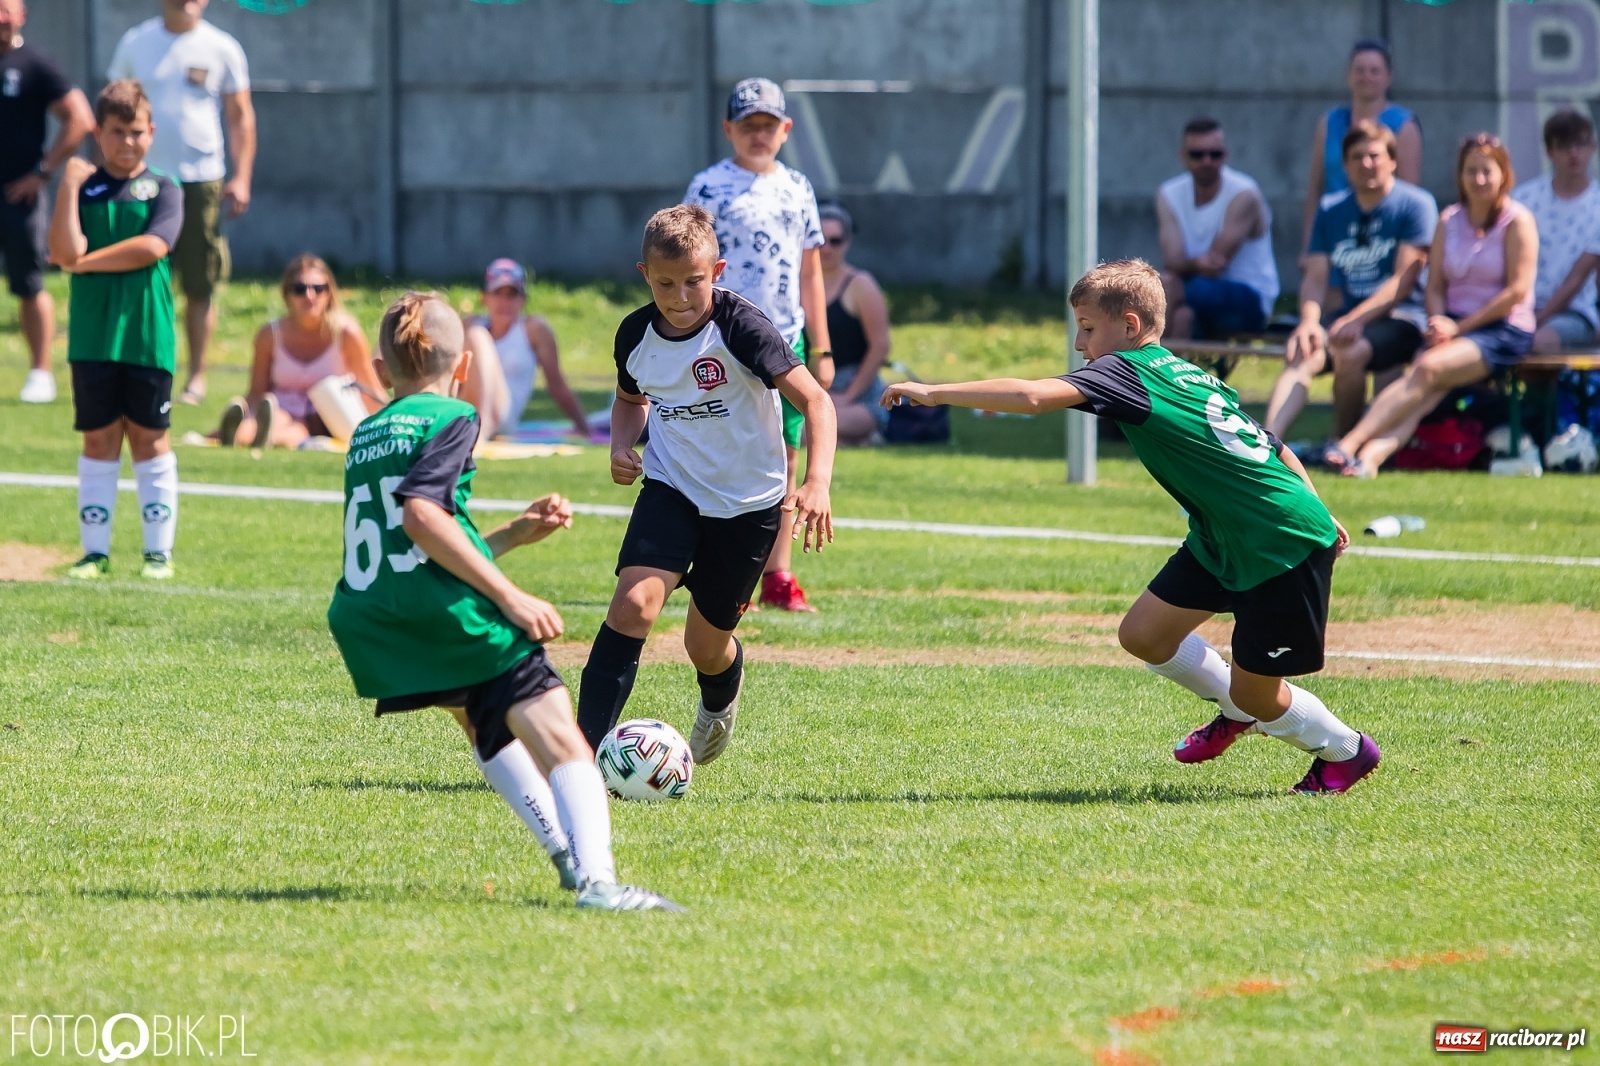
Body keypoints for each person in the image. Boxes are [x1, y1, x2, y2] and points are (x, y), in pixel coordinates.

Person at [881, 259, 1380, 794]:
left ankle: (1346, 751)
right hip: (1225, 535)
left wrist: (935, 392)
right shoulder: (1182, 370)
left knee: (1261, 692)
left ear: (1131, 326)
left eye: (1089, 329)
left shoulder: (1128, 370)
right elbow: (1273, 447)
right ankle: (1236, 710)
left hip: (1276, 542)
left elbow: (1031, 398)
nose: (1080, 345)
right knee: (1143, 634)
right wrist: (1316, 501)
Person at [326, 291, 682, 913]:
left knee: (483, 722)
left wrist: (513, 535)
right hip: (443, 611)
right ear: (463, 369)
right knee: (564, 740)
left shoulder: (366, 431)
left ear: (381, 371)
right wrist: (511, 599)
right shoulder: (455, 418)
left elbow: (410, 539)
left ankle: (570, 864)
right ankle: (599, 883)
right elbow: (421, 518)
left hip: (371, 613)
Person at [574, 204, 836, 769]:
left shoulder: (744, 329)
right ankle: (579, 757)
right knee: (633, 606)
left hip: (748, 506)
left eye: (694, 281)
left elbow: (817, 401)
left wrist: (816, 482)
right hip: (673, 487)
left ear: (716, 270)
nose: (681, 295)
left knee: (706, 647)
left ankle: (719, 701)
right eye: (665, 283)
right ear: (645, 275)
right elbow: (629, 400)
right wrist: (621, 445)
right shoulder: (635, 335)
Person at [684, 77, 834, 612]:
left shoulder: (797, 187)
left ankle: (777, 573)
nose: (758, 135)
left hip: (784, 338)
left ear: (786, 129)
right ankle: (705, 560)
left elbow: (810, 268)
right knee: (716, 444)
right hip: (722, 337)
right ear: (729, 129)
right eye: (748, 126)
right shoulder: (708, 187)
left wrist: (822, 345)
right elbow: (688, 264)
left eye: (768, 126)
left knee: (783, 455)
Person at [1327, 134, 1537, 478]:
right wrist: (1438, 319)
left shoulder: (1518, 221)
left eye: (1487, 171)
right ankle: (1369, 461)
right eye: (1471, 171)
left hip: (1502, 329)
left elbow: (1517, 291)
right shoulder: (1449, 219)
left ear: (1503, 174)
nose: (1479, 179)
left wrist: (1458, 329)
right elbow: (1435, 284)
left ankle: (1347, 444)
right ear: (1460, 175)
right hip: (1452, 326)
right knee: (1427, 388)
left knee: (1426, 370)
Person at [49, 81, 183, 581]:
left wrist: (83, 265)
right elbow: (63, 250)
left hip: (147, 336)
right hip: (91, 336)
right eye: (117, 133)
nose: (128, 143)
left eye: (137, 132)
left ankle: (157, 555)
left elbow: (152, 248)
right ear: (98, 134)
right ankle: (94, 554)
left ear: (151, 133)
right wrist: (67, 185)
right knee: (99, 439)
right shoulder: (84, 187)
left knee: (150, 439)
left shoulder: (165, 188)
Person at [108, 0, 256, 406]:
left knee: (199, 282)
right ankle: (138, 369)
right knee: (139, 280)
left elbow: (241, 115)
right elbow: (110, 109)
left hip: (201, 179)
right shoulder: (136, 42)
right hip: (143, 179)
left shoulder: (222, 46)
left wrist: (241, 177)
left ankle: (196, 378)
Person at [1265, 120, 1437, 439]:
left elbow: (1404, 280)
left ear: (1393, 161)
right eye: (1357, 157)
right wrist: (1308, 323)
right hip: (1348, 317)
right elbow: (1315, 278)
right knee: (1303, 351)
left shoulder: (1415, 204)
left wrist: (1354, 319)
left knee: (1350, 353)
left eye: (1374, 155)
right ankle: (1266, 443)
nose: (1366, 164)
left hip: (1403, 318)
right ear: (1345, 165)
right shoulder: (1331, 209)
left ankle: (1341, 442)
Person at [0, 0, 94, 404]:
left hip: (16, 194)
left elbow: (80, 117)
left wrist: (42, 172)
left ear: (21, 14)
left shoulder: (34, 63)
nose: (0, 18)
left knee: (28, 281)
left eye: (6, 9)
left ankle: (40, 371)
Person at [212, 254, 382, 448]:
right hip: (279, 407)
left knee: (297, 430)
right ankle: (238, 433)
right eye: (300, 289)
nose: (310, 296)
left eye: (318, 289)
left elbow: (371, 391)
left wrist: (386, 426)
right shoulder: (269, 335)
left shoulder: (346, 333)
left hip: (324, 415)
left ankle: (264, 439)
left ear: (330, 293)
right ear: (287, 294)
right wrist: (247, 414)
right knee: (273, 418)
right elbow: (256, 392)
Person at [1156, 118, 1279, 341]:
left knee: (1165, 286)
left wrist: (1186, 265)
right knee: (1183, 316)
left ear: (1226, 154)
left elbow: (1214, 265)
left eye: (1215, 154)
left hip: (1249, 300)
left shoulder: (1245, 194)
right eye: (1197, 155)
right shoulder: (1169, 194)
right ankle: (1159, 374)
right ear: (1182, 156)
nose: (1207, 161)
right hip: (1194, 297)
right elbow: (1171, 260)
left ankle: (1135, 368)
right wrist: (1193, 264)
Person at [1301, 39, 1423, 256]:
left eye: (1375, 71)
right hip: (1333, 229)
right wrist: (1309, 247)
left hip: (1382, 237)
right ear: (1348, 75)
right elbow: (1315, 190)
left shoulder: (1403, 125)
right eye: (1359, 70)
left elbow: (1408, 193)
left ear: (1388, 77)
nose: (1366, 77)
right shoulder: (1329, 122)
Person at [459, 258, 589, 441]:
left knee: (477, 336)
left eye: (511, 295)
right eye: (498, 293)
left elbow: (556, 383)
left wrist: (585, 429)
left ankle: (481, 430)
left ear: (523, 300)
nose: (504, 302)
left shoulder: (533, 330)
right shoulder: (471, 324)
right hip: (467, 406)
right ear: (484, 297)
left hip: (501, 417)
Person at [1512, 110, 1600, 354]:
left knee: (1539, 342)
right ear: (1549, 152)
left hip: (1575, 313)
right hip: (1519, 308)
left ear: (1592, 147)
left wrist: (1537, 320)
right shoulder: (1524, 200)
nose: (1574, 154)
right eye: (1564, 146)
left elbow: (1576, 279)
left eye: (1580, 145)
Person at [818, 203, 891, 445]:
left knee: (810, 427)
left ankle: (858, 434)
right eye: (819, 239)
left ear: (847, 243)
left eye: (835, 241)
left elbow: (880, 346)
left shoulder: (860, 284)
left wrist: (848, 396)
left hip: (857, 393)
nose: (826, 248)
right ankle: (850, 440)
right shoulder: (796, 284)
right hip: (813, 386)